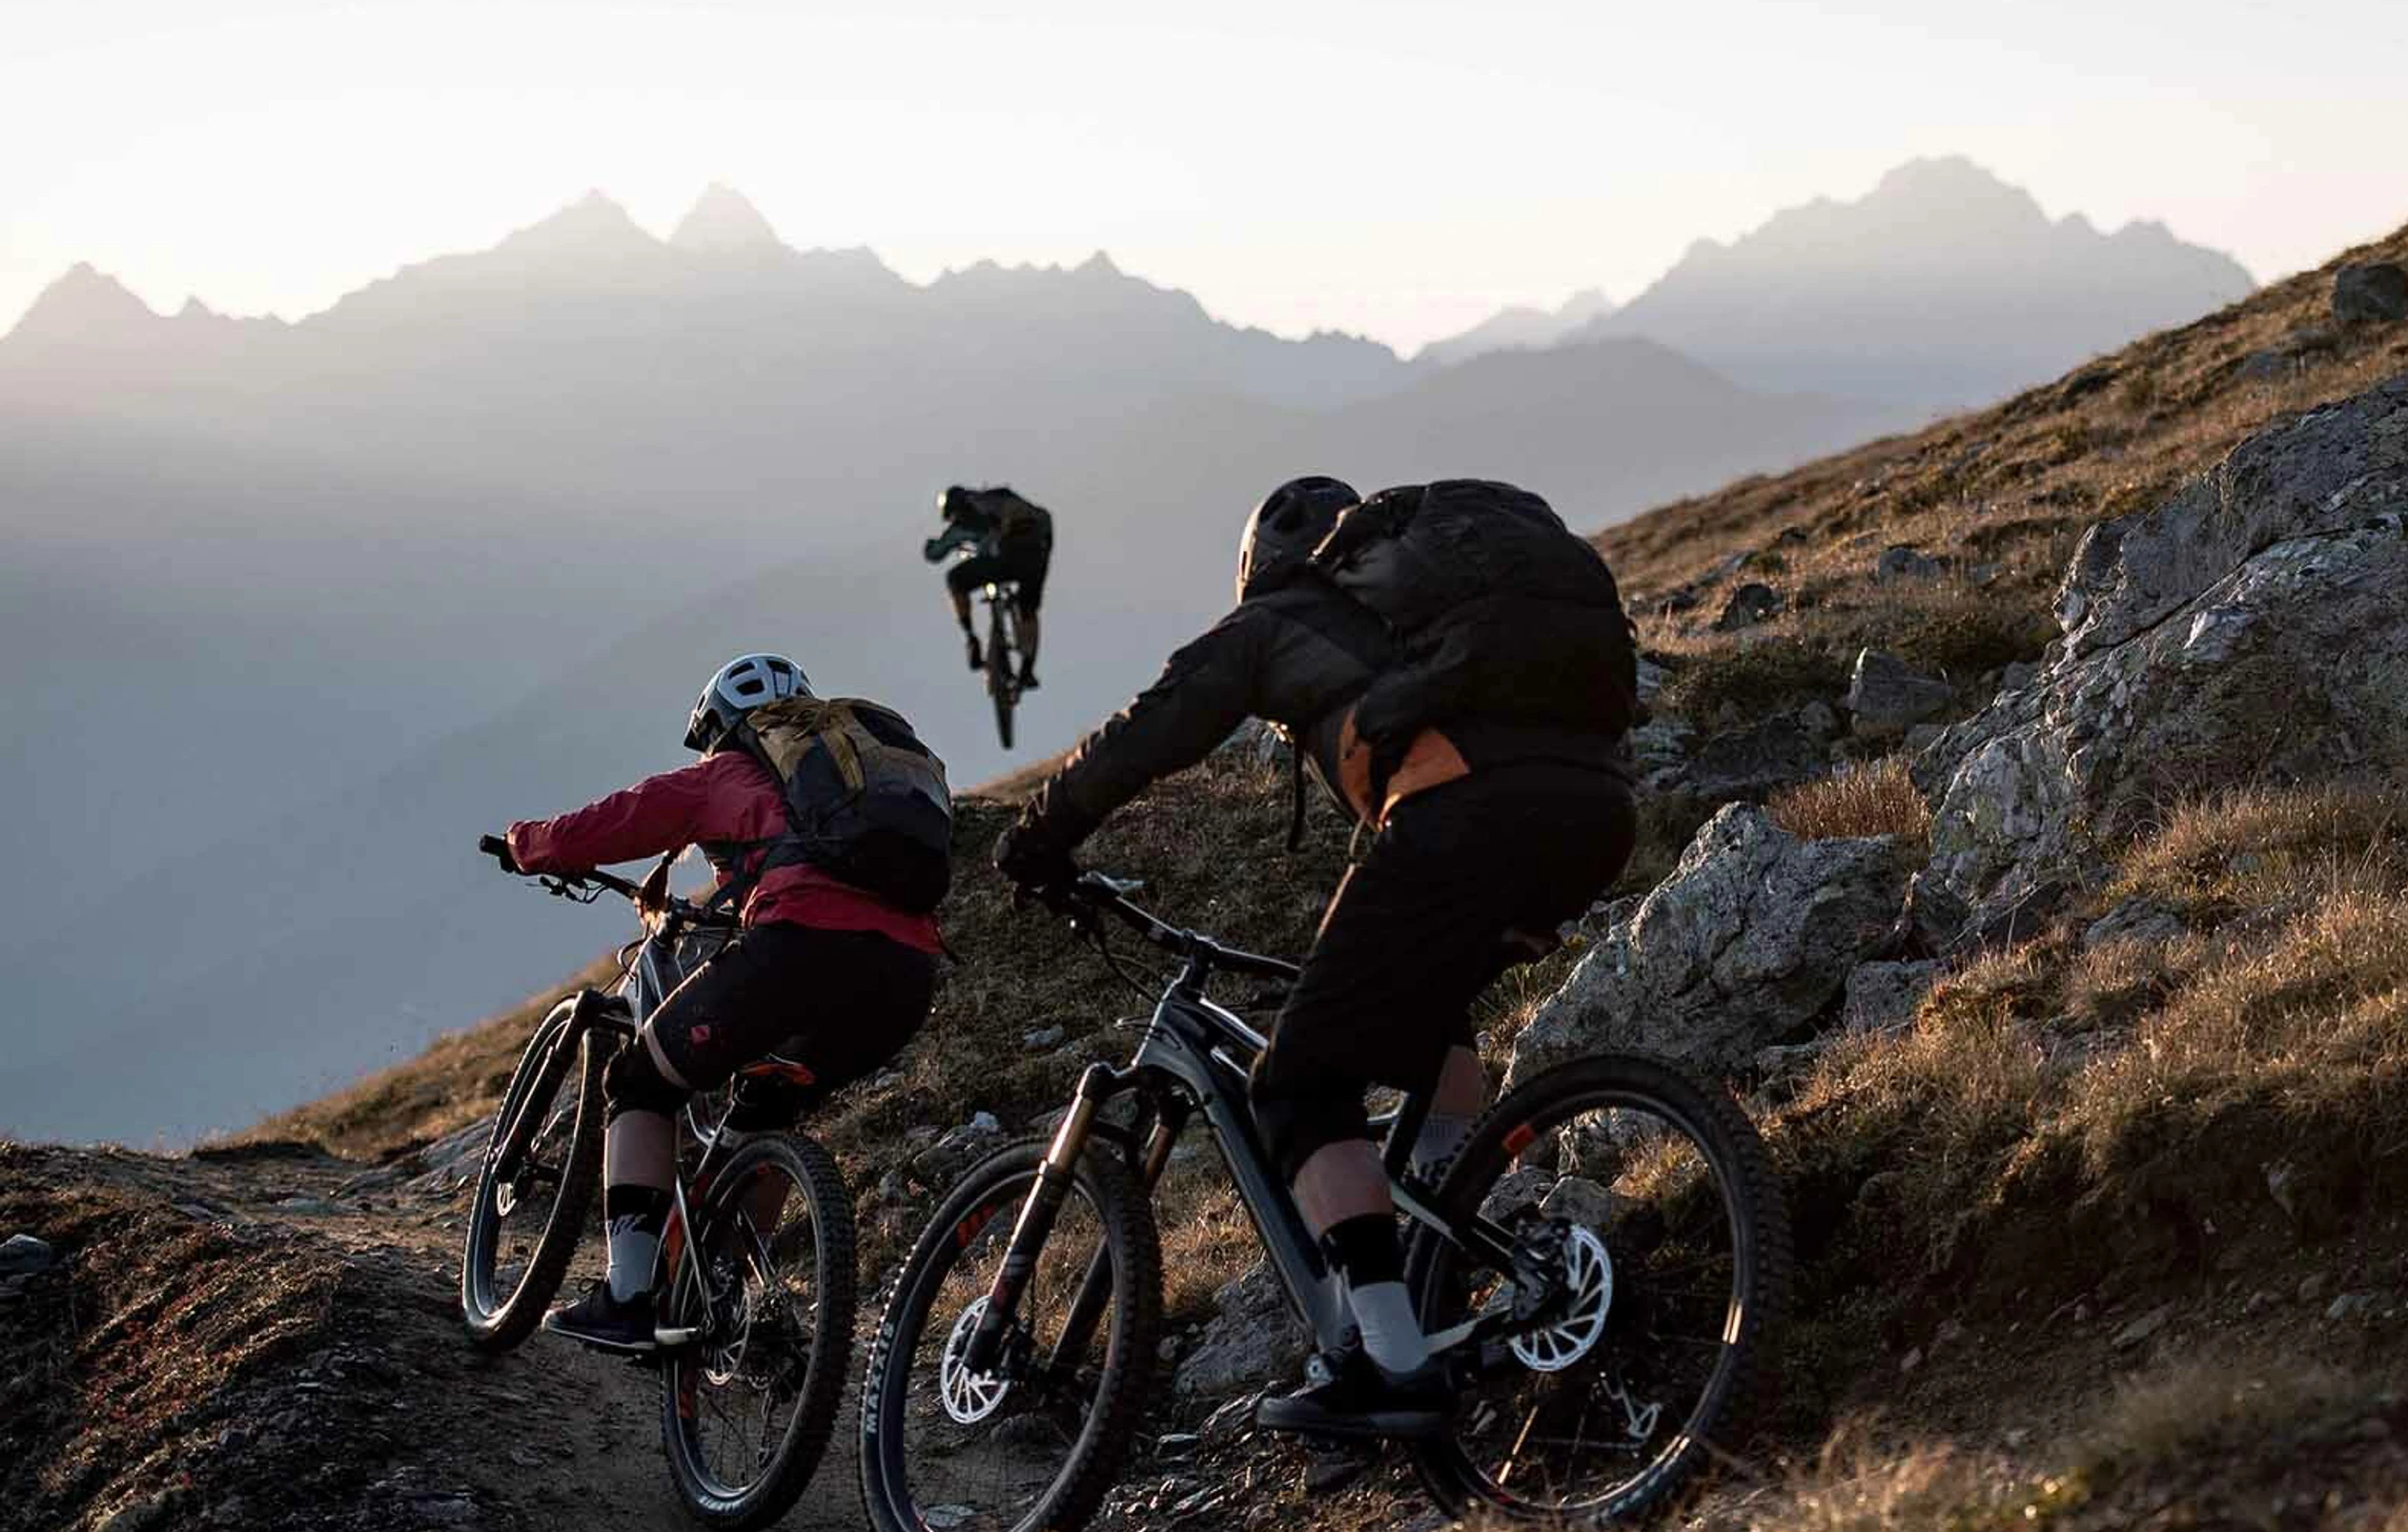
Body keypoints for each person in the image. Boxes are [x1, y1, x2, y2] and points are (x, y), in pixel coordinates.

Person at [989, 477, 1637, 1439]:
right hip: (1595, 814)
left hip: (1463, 812)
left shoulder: (1278, 624)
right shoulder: (1438, 630)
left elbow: (1150, 728)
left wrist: (1038, 838)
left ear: (1263, 566)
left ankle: (1392, 1362)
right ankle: (1451, 1247)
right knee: (1422, 1008)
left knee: (1294, 1084)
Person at [498, 651, 946, 1352]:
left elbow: (613, 821)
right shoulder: (842, 787)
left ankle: (627, 1297)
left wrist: (528, 844)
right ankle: (730, 1298)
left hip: (799, 944)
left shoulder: (727, 772)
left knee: (638, 1082)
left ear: (722, 728)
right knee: (765, 1108)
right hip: (906, 974)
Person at [926, 484, 1054, 686]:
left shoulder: (965, 517)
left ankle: (971, 638)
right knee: (1028, 608)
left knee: (955, 579)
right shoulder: (1001, 497)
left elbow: (935, 554)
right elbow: (1044, 518)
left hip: (1007, 556)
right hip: (1036, 554)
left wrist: (931, 547)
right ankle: (1027, 670)